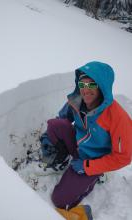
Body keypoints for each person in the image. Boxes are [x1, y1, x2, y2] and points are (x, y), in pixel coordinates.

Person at [40, 61, 132, 210]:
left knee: (59, 200)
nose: (86, 90)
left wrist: (88, 166)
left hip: (93, 160)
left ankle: (91, 180)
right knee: (55, 125)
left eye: (92, 85)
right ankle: (63, 159)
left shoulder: (118, 118)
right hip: (77, 145)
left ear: (102, 87)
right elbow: (61, 119)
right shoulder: (77, 99)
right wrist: (48, 138)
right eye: (82, 85)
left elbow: (123, 157)